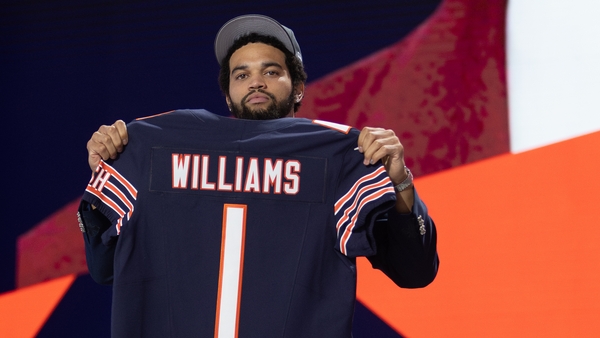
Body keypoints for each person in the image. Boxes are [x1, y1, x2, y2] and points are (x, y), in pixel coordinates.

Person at [78, 14, 438, 337]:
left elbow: (415, 272)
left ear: (297, 87)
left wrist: (400, 180)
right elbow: (105, 270)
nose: (256, 83)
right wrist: (107, 175)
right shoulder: (154, 146)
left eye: (271, 71)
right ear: (229, 95)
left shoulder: (340, 157)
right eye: (242, 74)